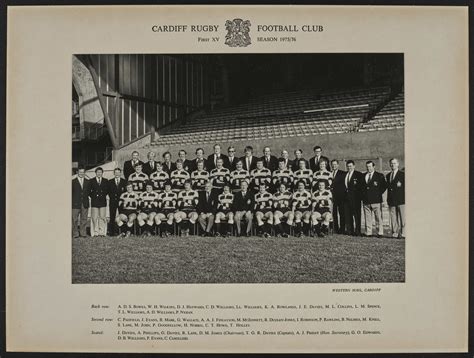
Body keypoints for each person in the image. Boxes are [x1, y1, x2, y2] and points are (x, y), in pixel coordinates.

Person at [362, 161, 387, 238]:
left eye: (370, 166)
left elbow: (384, 186)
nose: (368, 168)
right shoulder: (363, 176)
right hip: (366, 200)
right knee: (367, 217)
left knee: (378, 217)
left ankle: (380, 232)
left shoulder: (379, 176)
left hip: (376, 200)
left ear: (374, 166)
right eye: (367, 166)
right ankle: (368, 232)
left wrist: (377, 193)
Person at [386, 158, 405, 239]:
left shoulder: (403, 175)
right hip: (391, 199)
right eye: (391, 163)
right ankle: (395, 232)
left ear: (398, 164)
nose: (392, 165)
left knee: (403, 217)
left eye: (394, 163)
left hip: (401, 199)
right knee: (393, 218)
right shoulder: (388, 175)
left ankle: (404, 233)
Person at [343, 160, 363, 236]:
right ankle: (349, 230)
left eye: (350, 166)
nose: (349, 167)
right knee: (348, 215)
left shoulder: (358, 174)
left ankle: (357, 231)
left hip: (355, 198)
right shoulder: (345, 174)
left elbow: (361, 187)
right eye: (348, 166)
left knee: (357, 216)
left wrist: (359, 197)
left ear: (354, 166)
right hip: (346, 198)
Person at [89, 167, 108, 237]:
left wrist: (101, 196)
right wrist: (94, 196)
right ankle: (95, 232)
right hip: (94, 201)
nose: (99, 173)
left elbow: (107, 191)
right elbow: (89, 192)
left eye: (100, 172)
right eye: (98, 172)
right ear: (95, 173)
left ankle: (102, 232)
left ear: (102, 173)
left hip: (102, 201)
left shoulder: (106, 181)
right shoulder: (91, 181)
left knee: (102, 217)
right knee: (94, 217)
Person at [107, 168, 127, 236]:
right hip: (113, 201)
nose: (117, 174)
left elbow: (125, 192)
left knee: (122, 216)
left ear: (120, 173)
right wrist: (112, 198)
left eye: (118, 172)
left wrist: (123, 200)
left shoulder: (124, 181)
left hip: (121, 202)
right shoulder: (110, 181)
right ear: (114, 173)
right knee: (112, 217)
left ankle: (122, 231)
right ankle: (112, 232)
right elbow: (108, 192)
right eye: (116, 172)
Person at [72, 166, 90, 238]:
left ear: (84, 173)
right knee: (74, 219)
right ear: (77, 172)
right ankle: (75, 233)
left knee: (84, 219)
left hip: (84, 203)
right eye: (80, 172)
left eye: (83, 172)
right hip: (75, 203)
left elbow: (89, 192)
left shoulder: (87, 181)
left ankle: (83, 233)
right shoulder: (73, 182)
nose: (81, 173)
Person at [330, 159, 346, 234]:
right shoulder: (329, 173)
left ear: (338, 165)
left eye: (335, 164)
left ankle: (342, 229)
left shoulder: (343, 173)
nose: (334, 166)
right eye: (332, 164)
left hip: (340, 196)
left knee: (342, 213)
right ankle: (335, 228)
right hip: (332, 197)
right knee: (334, 213)